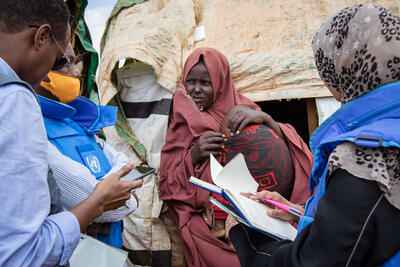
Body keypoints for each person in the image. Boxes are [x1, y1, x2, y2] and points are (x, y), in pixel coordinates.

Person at [229, 4, 400, 266]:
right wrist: (301, 214)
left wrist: (248, 239)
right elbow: (368, 226)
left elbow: (315, 261)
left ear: (345, 70)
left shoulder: (369, 158)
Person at [0, 1, 140, 266]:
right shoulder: (16, 99)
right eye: (57, 60)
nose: (76, 72)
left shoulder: (75, 119)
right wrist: (95, 205)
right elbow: (20, 253)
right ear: (41, 37)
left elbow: (124, 172)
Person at [159, 47, 313, 267]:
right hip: (210, 226)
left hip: (262, 215)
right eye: (190, 82)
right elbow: (167, 186)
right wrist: (193, 156)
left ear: (221, 82)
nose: (196, 90)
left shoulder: (243, 110)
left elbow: (284, 150)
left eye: (205, 82)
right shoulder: (182, 122)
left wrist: (266, 119)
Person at [35, 43, 141, 248]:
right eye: (64, 64)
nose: (76, 73)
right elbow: (114, 203)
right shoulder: (33, 127)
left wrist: (106, 194)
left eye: (75, 63)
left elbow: (127, 165)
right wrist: (123, 196)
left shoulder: (74, 120)